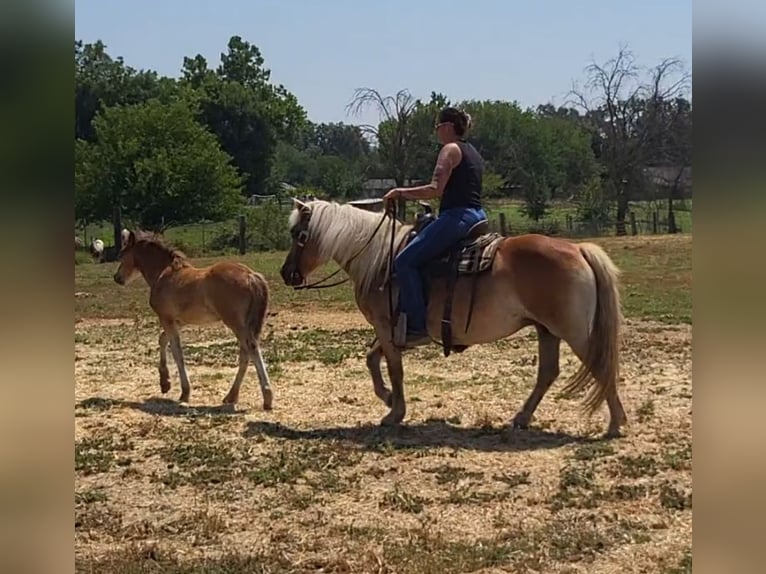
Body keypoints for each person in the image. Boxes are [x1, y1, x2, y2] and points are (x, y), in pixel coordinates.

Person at [383, 106, 488, 346]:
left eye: (438, 126)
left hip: (457, 217)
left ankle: (418, 326)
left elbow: (435, 189)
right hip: (477, 214)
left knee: (404, 261)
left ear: (448, 127)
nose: (437, 131)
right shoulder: (472, 151)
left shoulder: (449, 150)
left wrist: (399, 193)